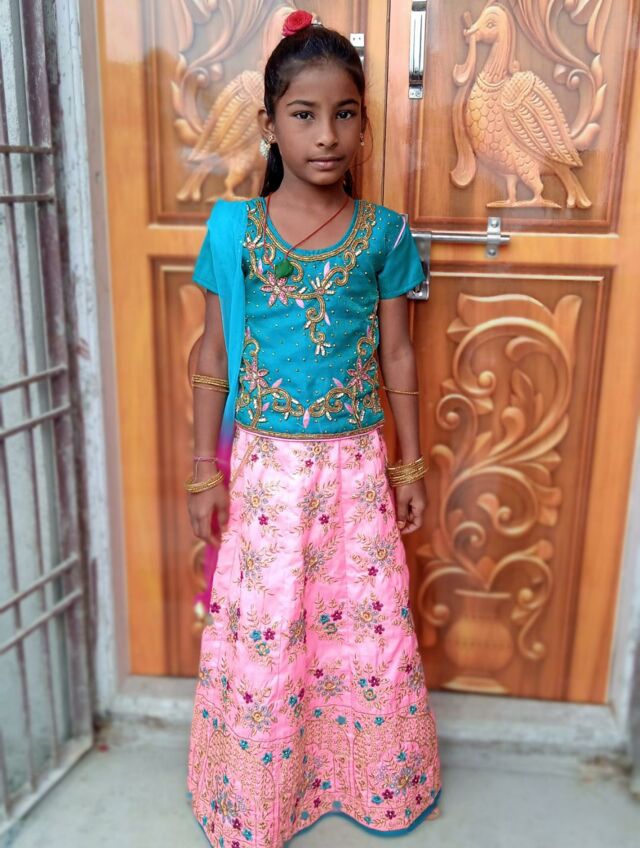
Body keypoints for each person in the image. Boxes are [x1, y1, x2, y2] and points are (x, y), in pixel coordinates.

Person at [186, 10, 442, 847]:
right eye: (304, 114)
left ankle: (366, 782)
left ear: (364, 123)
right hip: (266, 474)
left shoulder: (385, 234)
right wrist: (203, 470)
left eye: (344, 113)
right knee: (270, 626)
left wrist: (409, 468)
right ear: (270, 124)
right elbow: (211, 354)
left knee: (358, 625)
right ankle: (261, 794)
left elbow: (398, 354)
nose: (326, 135)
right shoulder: (235, 230)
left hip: (356, 469)